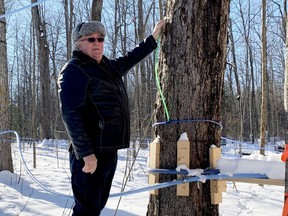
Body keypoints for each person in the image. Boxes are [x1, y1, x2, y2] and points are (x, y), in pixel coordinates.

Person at [57, 19, 166, 216]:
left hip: (108, 151)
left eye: (100, 38)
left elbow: (130, 58)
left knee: (96, 207)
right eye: (90, 39)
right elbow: (70, 114)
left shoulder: (106, 67)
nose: (97, 43)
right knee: (86, 211)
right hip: (90, 153)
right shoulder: (74, 70)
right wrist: (86, 153)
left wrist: (153, 38)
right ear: (78, 43)